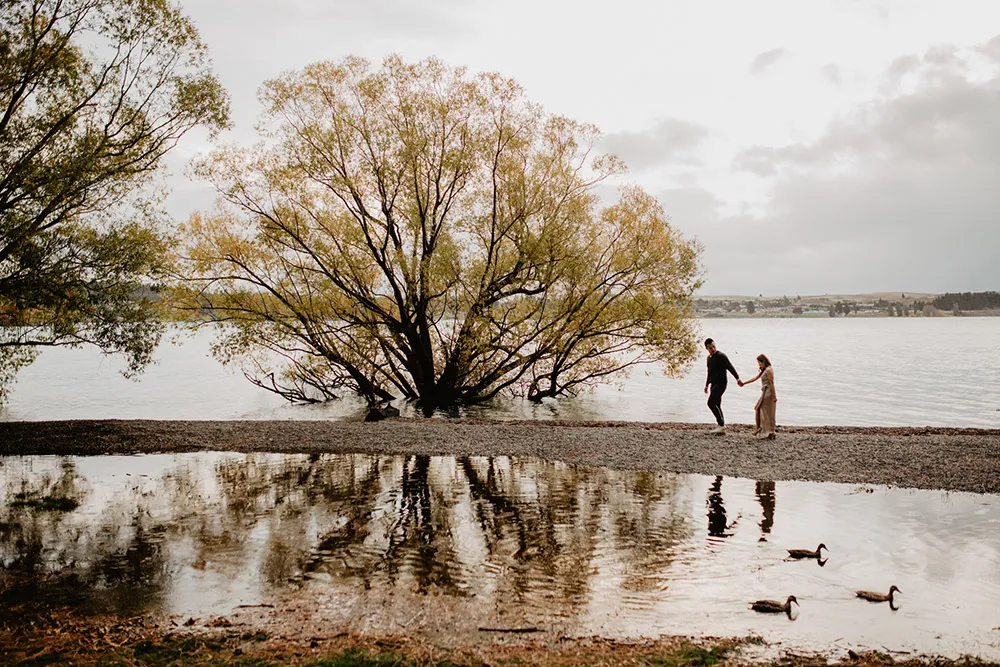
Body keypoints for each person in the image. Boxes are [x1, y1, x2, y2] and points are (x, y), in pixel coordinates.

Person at [703, 338, 740, 434]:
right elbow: (709, 372)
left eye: (714, 347)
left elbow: (730, 367)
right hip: (713, 384)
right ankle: (720, 427)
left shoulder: (721, 356)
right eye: (710, 348)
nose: (713, 349)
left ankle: (722, 425)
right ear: (706, 348)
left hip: (721, 383)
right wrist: (707, 385)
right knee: (717, 404)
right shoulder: (709, 359)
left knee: (710, 403)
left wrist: (737, 378)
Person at [740, 354, 777, 439]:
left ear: (763, 361)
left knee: (762, 410)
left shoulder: (769, 370)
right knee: (761, 410)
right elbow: (755, 378)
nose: (759, 365)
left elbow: (772, 383)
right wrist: (744, 383)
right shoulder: (764, 370)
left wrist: (774, 396)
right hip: (764, 391)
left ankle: (762, 429)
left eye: (759, 363)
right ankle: (760, 428)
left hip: (768, 392)